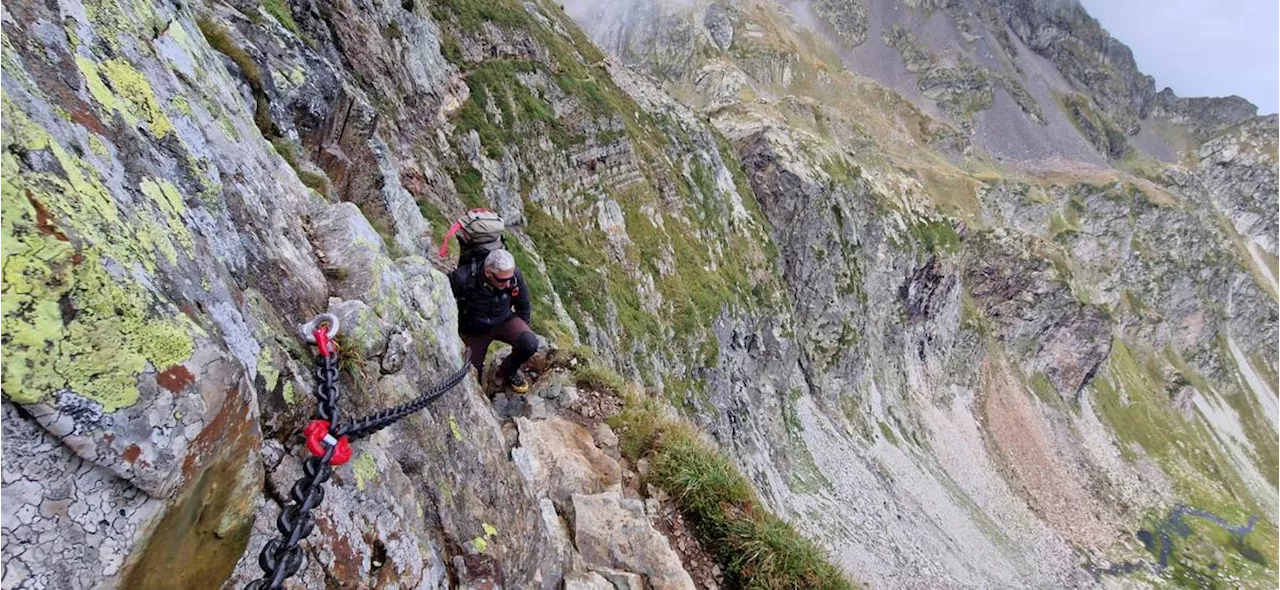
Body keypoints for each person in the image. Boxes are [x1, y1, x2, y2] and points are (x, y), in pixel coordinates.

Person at [448, 248, 537, 393]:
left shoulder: (513, 277)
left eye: (510, 278)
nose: (508, 284)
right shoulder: (462, 278)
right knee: (469, 374)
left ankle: (508, 371)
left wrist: (521, 332)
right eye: (502, 280)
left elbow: (523, 304)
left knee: (529, 343)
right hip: (474, 330)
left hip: (503, 320)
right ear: (488, 272)